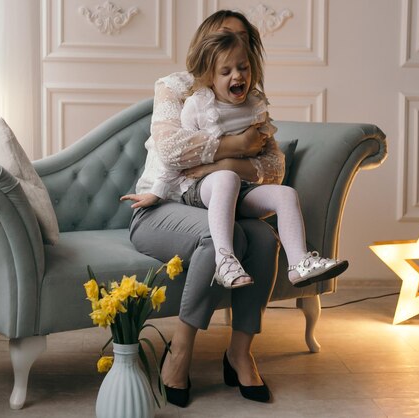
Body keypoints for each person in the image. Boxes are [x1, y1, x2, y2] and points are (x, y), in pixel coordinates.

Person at [120, 10, 279, 406]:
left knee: (261, 236)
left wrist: (220, 163)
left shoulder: (249, 100)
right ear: (206, 44)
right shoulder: (175, 88)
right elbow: (172, 149)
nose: (233, 51)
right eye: (224, 38)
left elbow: (274, 169)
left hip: (217, 201)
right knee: (215, 237)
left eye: (243, 43)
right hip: (160, 205)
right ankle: (181, 350)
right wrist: (240, 148)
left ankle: (239, 353)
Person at [175, 30, 349, 290]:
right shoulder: (198, 106)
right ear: (210, 77)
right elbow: (179, 155)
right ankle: (224, 261)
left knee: (286, 194)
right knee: (226, 177)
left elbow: (267, 157)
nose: (237, 76)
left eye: (243, 67)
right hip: (200, 190)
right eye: (226, 72)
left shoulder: (255, 105)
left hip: (239, 188)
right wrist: (157, 191)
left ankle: (299, 264)